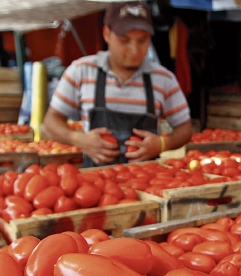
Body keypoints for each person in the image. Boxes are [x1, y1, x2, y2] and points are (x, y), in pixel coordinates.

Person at [42, 1, 193, 167]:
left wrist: (162, 144)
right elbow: (50, 123)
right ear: (107, 34)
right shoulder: (81, 71)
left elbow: (184, 128)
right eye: (124, 40)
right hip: (96, 183)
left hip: (147, 183)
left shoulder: (164, 79)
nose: (134, 50)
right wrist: (79, 139)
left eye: (142, 40)